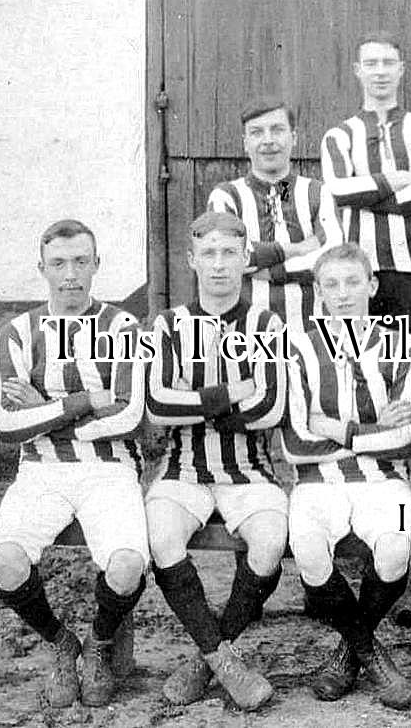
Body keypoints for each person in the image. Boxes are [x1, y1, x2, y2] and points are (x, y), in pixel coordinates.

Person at [0, 219, 147, 707]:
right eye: (59, 263)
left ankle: (98, 643)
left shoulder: (122, 326)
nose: (71, 274)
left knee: (126, 565)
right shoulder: (17, 331)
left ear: (97, 265)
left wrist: (41, 406)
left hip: (110, 467)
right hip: (41, 470)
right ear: (42, 269)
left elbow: (129, 416)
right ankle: (62, 644)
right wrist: (82, 402)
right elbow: (4, 427)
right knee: (5, 561)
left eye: (81, 261)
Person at [145, 210, 288, 711]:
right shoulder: (167, 324)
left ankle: (208, 656)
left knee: (270, 540)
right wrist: (234, 392)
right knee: (161, 534)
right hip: (182, 467)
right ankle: (224, 660)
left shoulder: (266, 323)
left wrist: (198, 400)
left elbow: (271, 407)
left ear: (247, 258)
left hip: (249, 470)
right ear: (191, 259)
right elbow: (157, 405)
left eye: (231, 253)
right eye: (209, 253)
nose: (220, 264)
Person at [281, 243, 411, 707]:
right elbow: (297, 441)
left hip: (384, 479)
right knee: (308, 552)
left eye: (353, 282)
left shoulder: (401, 345)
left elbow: (405, 439)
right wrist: (375, 428)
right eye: (332, 285)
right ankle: (368, 653)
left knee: (397, 549)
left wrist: (341, 429)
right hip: (317, 481)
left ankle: (348, 652)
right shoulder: (297, 345)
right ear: (318, 292)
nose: (343, 294)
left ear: (372, 286)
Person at [321, 32, 411, 326]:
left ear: (401, 69)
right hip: (360, 276)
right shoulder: (339, 134)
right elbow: (340, 191)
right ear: (358, 70)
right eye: (371, 63)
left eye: (388, 63)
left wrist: (366, 197)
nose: (380, 71)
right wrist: (396, 179)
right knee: (360, 359)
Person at [207, 98, 343, 331]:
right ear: (245, 143)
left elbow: (331, 257)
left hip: (312, 327)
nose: (268, 140)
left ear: (294, 138)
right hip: (245, 329)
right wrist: (297, 249)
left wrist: (273, 271)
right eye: (257, 132)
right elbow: (229, 255)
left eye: (277, 130)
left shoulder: (317, 192)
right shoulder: (227, 196)